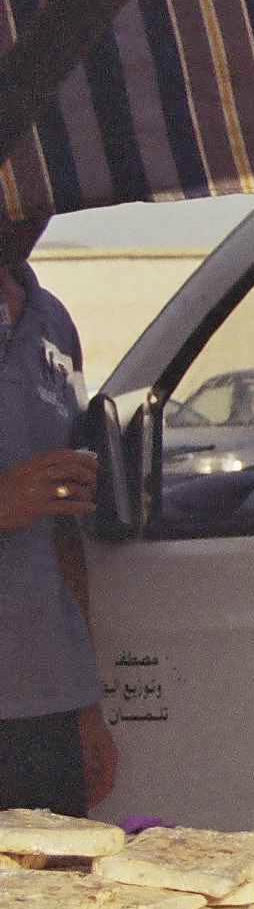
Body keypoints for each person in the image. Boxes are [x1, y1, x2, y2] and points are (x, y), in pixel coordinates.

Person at [0, 214, 116, 814]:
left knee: (58, 904)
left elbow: (65, 526)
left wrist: (86, 704)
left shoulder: (52, 321)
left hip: (46, 708)